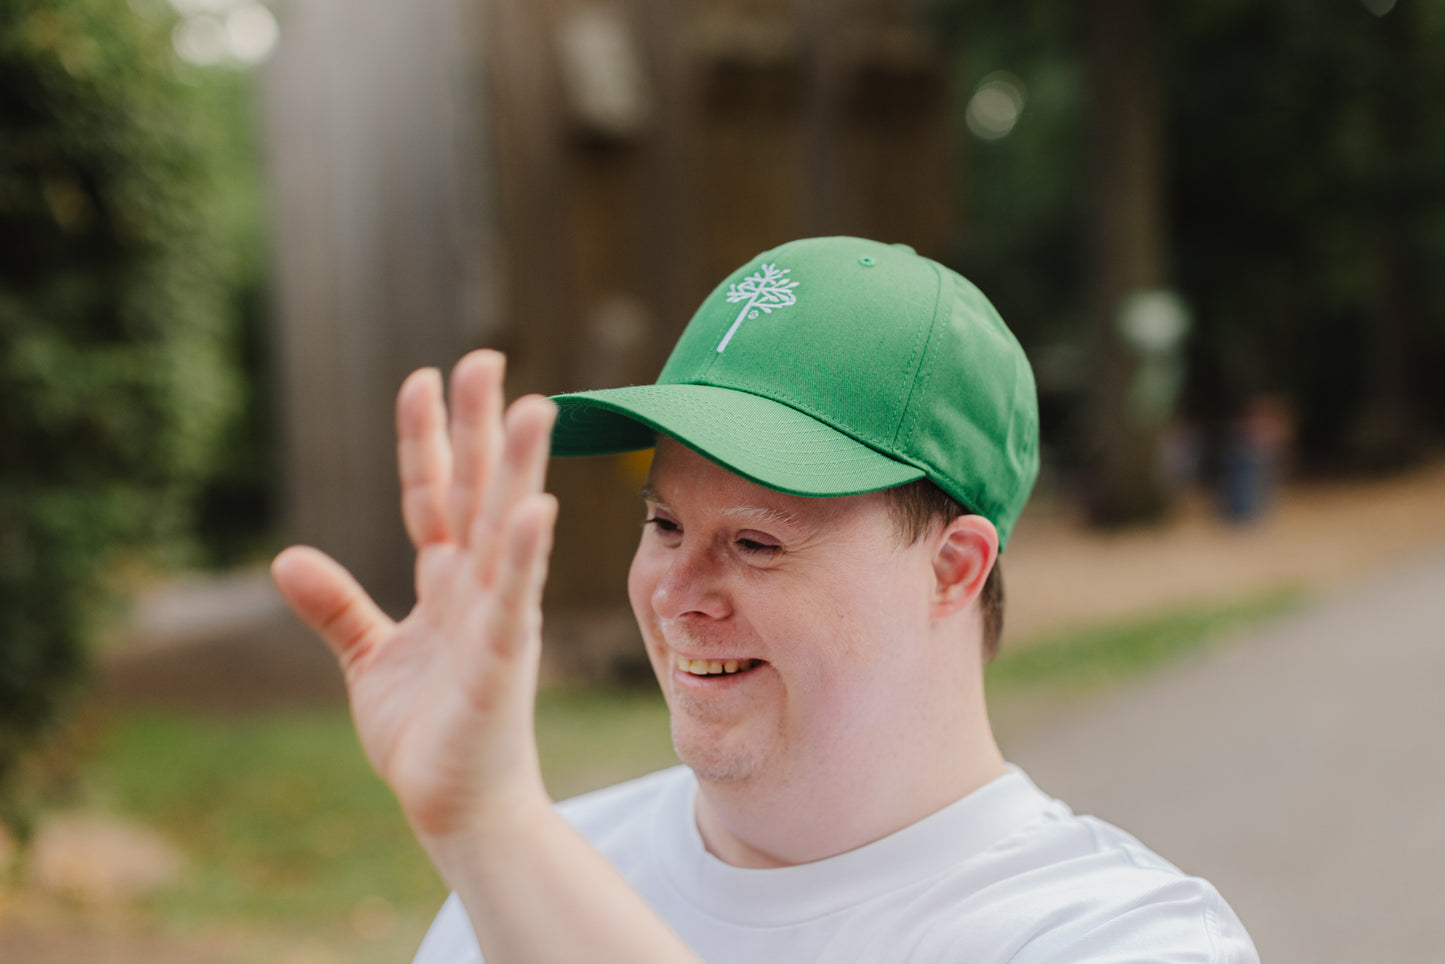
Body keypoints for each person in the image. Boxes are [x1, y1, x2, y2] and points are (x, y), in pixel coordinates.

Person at [272, 237, 1258, 963]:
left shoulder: (1108, 933)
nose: (676, 592)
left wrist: (495, 829)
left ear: (952, 567)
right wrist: (495, 838)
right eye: (663, 525)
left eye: (754, 542)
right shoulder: (536, 874)